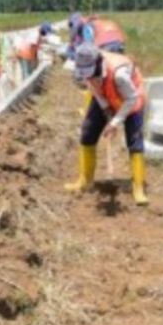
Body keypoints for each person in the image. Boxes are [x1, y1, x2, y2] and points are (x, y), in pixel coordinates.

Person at [65, 43, 150, 206]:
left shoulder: (120, 74)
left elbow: (131, 99)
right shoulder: (87, 70)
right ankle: (85, 180)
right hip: (106, 95)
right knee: (87, 133)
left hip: (131, 99)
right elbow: (95, 89)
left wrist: (116, 122)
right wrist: (107, 112)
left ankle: (138, 188)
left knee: (135, 141)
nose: (88, 77)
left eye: (90, 73)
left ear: (97, 63)